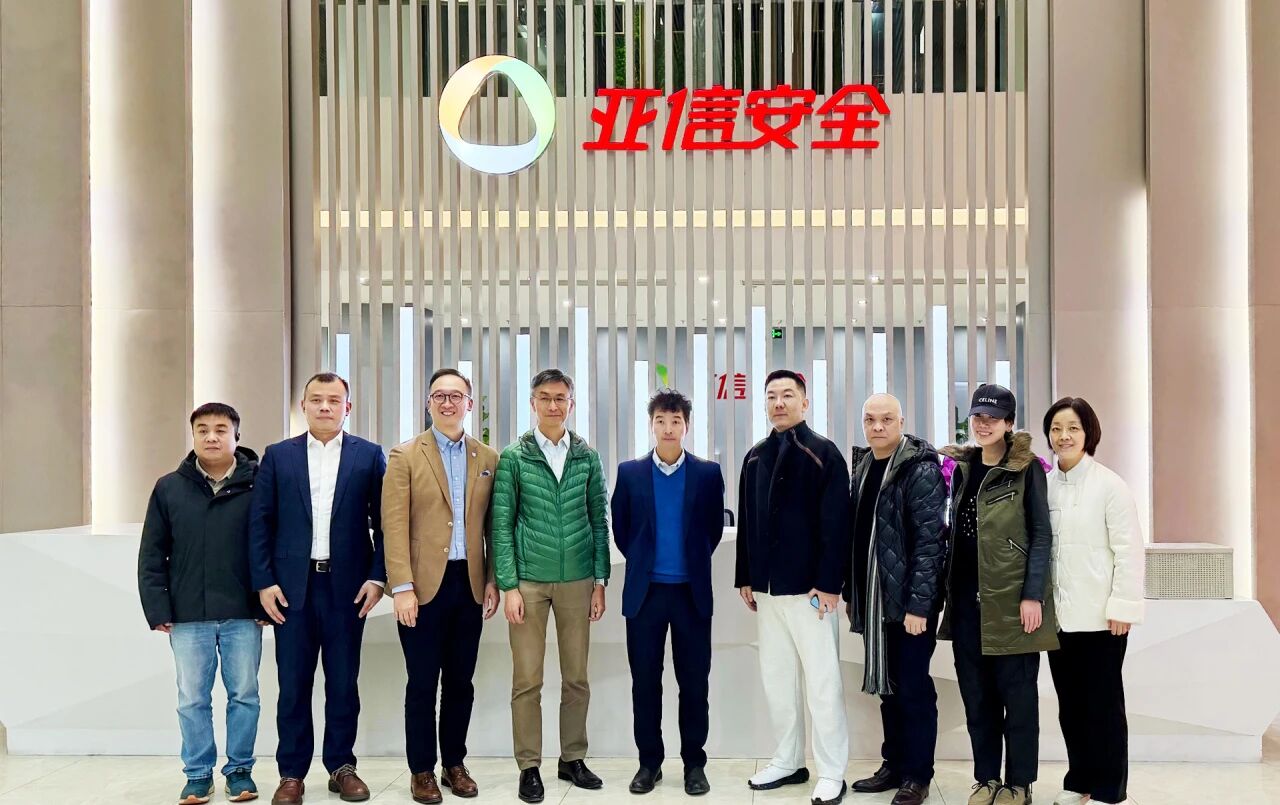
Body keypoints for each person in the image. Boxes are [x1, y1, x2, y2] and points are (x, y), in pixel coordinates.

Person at [248, 372, 387, 805]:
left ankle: (341, 766)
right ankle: (291, 773)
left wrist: (378, 576)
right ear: (303, 405)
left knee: (343, 683)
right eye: (316, 399)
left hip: (348, 589)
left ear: (348, 407)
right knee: (293, 685)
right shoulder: (278, 456)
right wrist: (264, 581)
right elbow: (260, 522)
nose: (325, 407)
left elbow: (387, 522)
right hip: (291, 590)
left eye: (334, 400)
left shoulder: (369, 455)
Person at [491, 369, 611, 804]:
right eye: (545, 398)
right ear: (533, 403)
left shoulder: (587, 456)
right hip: (528, 582)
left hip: (578, 581)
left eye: (561, 398)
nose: (553, 405)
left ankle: (572, 758)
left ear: (571, 404)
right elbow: (501, 525)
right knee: (527, 679)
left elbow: (599, 519)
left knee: (577, 677)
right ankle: (529, 766)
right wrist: (509, 585)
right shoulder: (514, 457)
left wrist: (600, 581)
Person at [383, 368, 501, 804]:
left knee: (460, 682)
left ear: (469, 403)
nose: (447, 402)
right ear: (429, 403)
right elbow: (393, 526)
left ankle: (454, 763)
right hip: (421, 588)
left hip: (468, 584)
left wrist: (493, 580)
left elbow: (493, 526)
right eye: (439, 396)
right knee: (421, 683)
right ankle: (421, 770)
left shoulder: (488, 458)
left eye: (456, 396)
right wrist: (402, 586)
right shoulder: (405, 455)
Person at [735, 369, 852, 805]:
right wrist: (745, 576)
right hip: (767, 593)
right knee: (778, 680)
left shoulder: (823, 454)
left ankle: (832, 771)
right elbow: (747, 521)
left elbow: (837, 525)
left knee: (822, 683)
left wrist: (829, 583)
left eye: (787, 395)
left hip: (811, 593)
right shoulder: (754, 456)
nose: (779, 402)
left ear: (805, 402)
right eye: (771, 396)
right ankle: (788, 760)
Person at [139, 403, 264, 805]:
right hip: (187, 613)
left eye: (221, 429)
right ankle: (197, 775)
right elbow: (152, 553)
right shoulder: (169, 488)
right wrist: (157, 609)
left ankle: (240, 772)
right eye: (203, 430)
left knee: (244, 695)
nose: (211, 437)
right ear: (193, 436)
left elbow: (270, 546)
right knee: (192, 699)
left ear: (236, 436)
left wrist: (265, 601)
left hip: (243, 612)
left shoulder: (259, 485)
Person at [939, 384, 1058, 805]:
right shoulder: (962, 469)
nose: (983, 424)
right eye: (977, 416)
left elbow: (1041, 535)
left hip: (1011, 603)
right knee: (977, 698)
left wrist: (1032, 595)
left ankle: (1019, 783)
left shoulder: (1027, 470)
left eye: (992, 417)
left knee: (1019, 699)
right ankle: (986, 778)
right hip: (966, 603)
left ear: (1009, 423)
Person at [612, 389, 725, 797]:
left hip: (691, 595)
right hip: (645, 595)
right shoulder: (630, 473)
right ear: (651, 424)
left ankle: (694, 764)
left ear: (686, 426)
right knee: (645, 683)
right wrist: (645, 562)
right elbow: (621, 529)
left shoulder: (708, 474)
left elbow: (712, 529)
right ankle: (649, 763)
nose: (668, 428)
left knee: (694, 684)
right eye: (661, 420)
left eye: (676, 421)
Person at [845, 394, 948, 805]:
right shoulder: (864, 466)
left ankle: (917, 775)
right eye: (870, 419)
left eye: (887, 419)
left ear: (901, 422)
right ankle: (894, 763)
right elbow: (857, 536)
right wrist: (853, 594)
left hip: (908, 605)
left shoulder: (920, 469)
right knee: (889, 688)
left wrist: (919, 606)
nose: (878, 427)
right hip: (875, 602)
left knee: (913, 690)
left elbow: (930, 544)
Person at [1044, 397, 1144, 805]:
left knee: (1103, 705)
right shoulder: (1045, 484)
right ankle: (1079, 781)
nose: (1064, 436)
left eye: (1073, 428)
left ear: (1089, 433)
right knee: (1070, 706)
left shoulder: (1110, 485)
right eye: (1056, 429)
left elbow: (1129, 551)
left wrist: (1122, 606)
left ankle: (1109, 789)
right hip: (1058, 618)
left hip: (1103, 618)